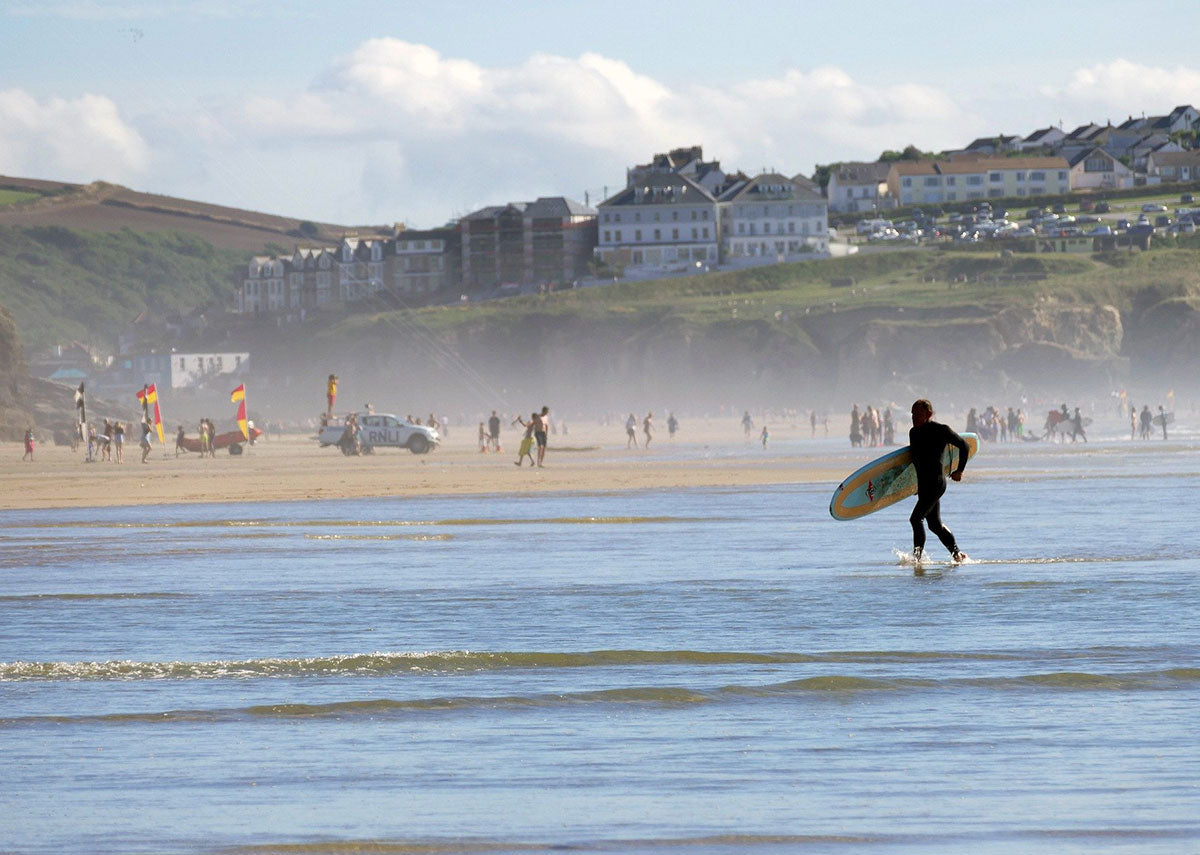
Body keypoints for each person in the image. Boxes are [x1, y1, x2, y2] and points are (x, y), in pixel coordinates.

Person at [908, 399, 969, 565]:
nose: (913, 417)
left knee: (915, 519)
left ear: (928, 414)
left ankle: (917, 559)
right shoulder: (913, 433)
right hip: (923, 485)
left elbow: (964, 446)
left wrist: (959, 470)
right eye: (912, 414)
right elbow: (916, 462)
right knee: (934, 525)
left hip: (936, 483)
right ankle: (957, 554)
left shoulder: (940, 430)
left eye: (917, 414)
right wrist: (912, 486)